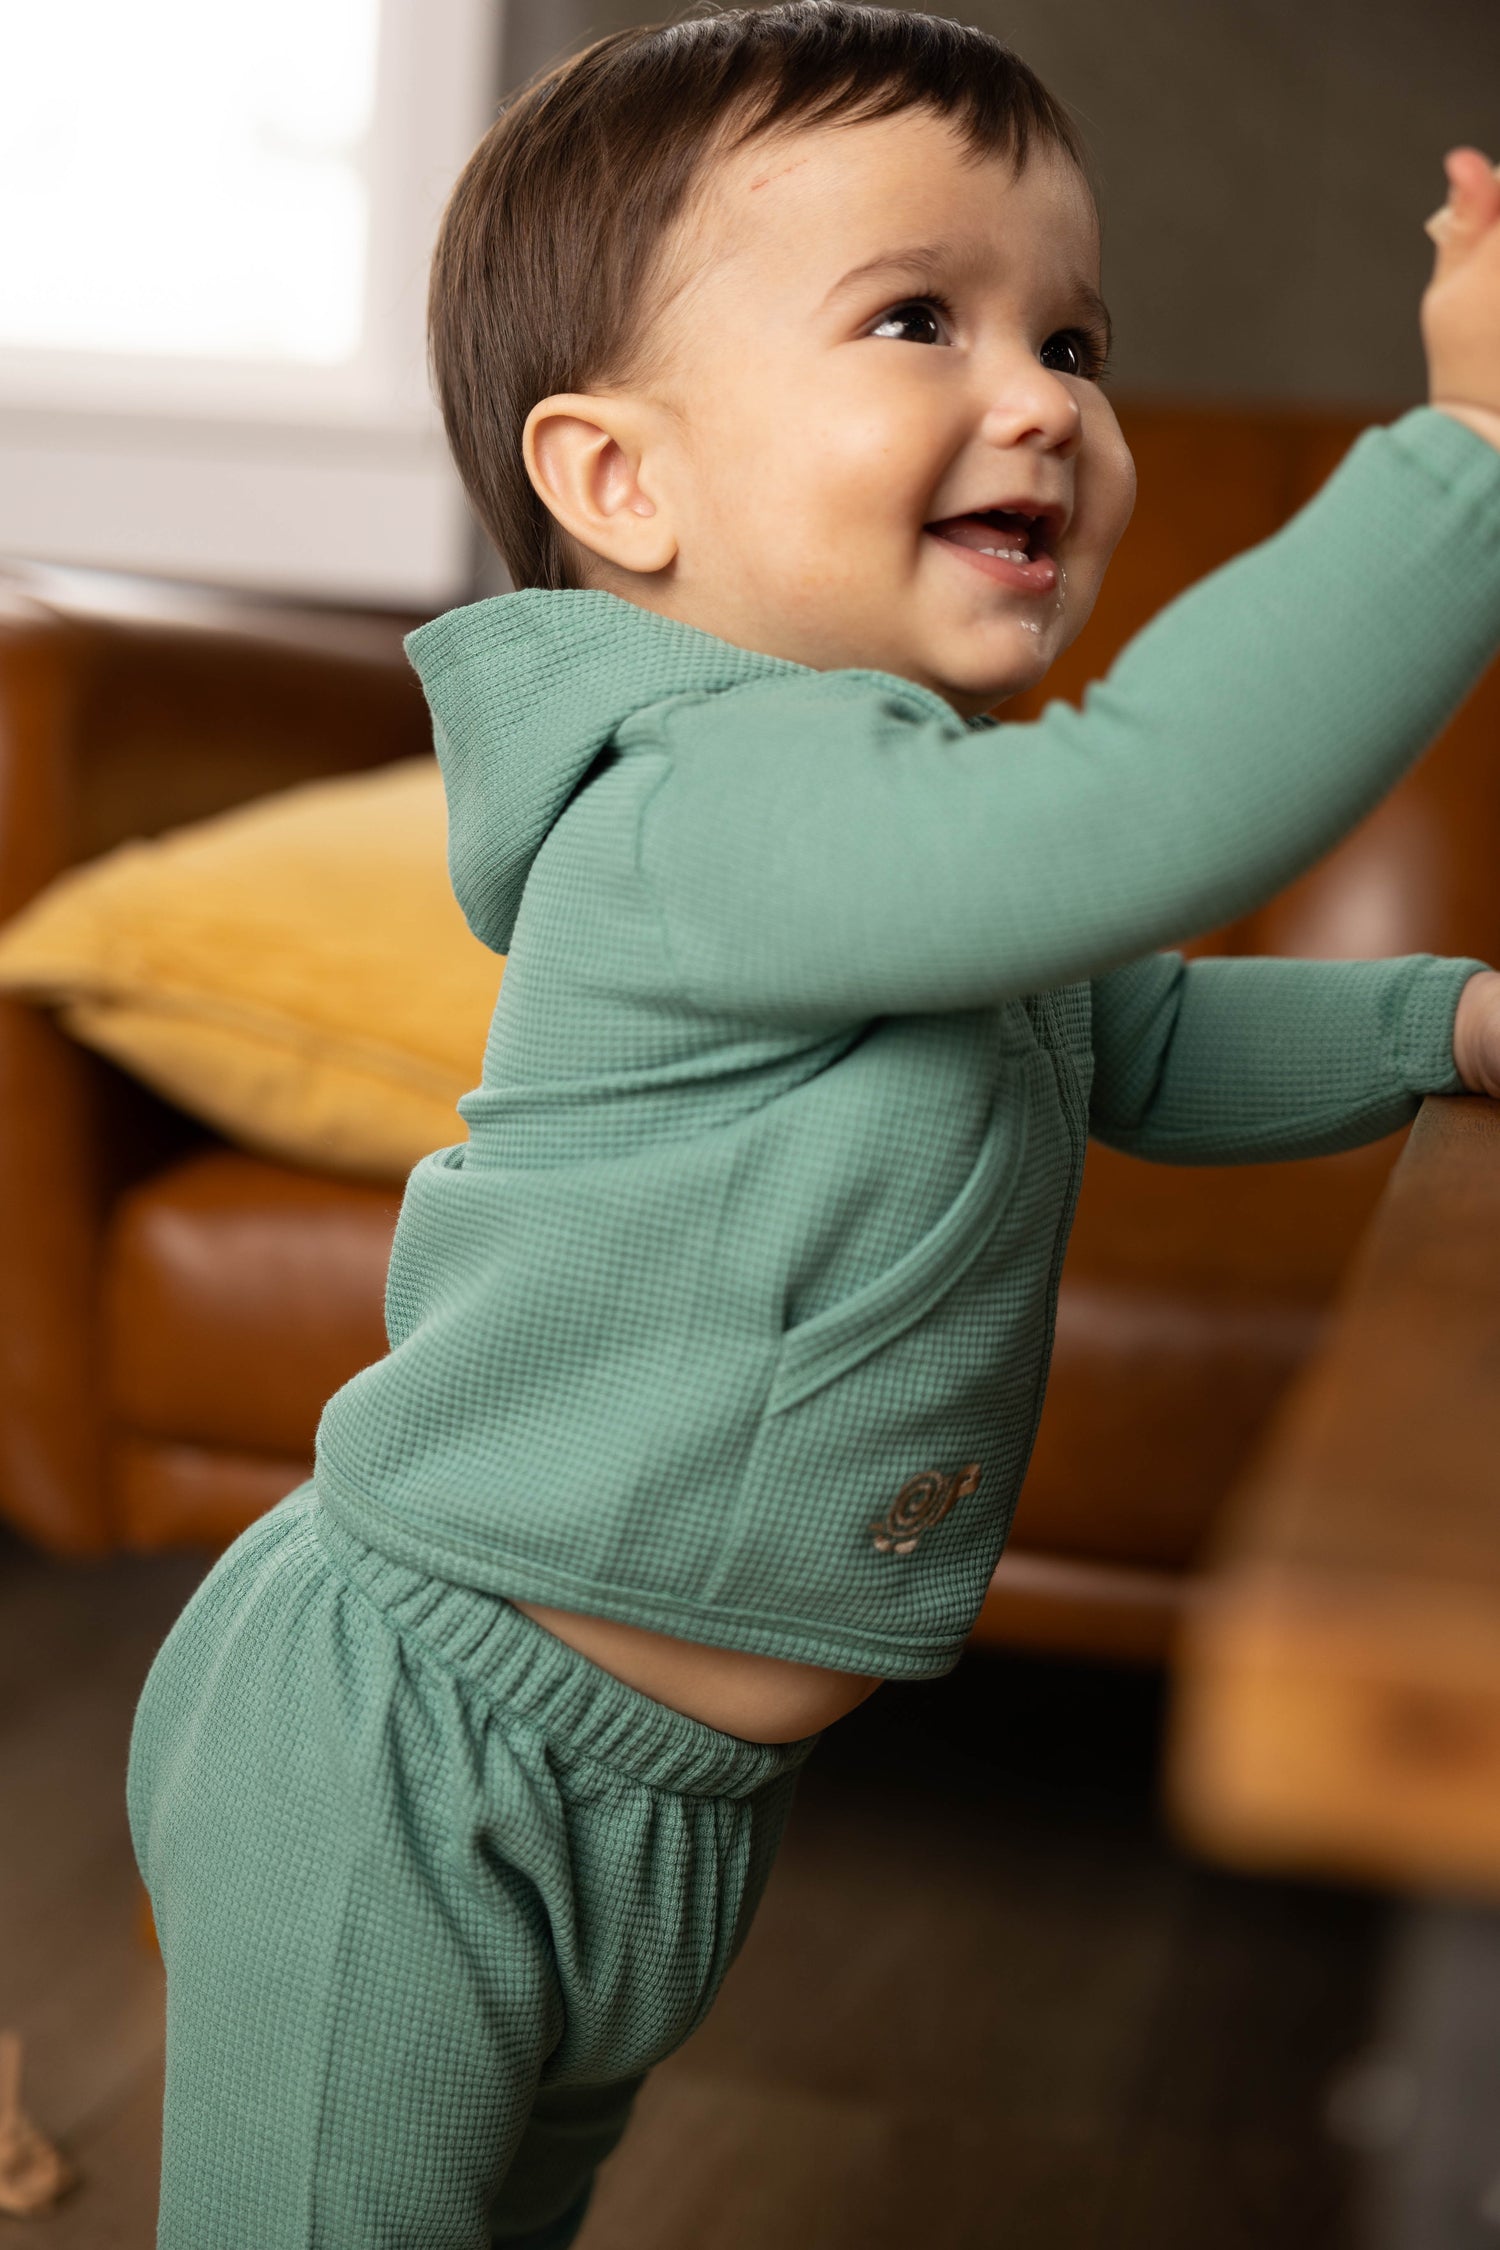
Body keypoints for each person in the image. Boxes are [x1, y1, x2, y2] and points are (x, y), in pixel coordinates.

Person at [127, 8, 1500, 2245]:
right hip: (410, 1750)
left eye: (1074, 332)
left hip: (658, 1784)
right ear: (622, 485)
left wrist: (1441, 1021)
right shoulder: (702, 796)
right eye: (917, 318)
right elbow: (1149, 816)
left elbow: (1134, 1038)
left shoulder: (892, 837)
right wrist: (1470, 450)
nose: (1042, 393)